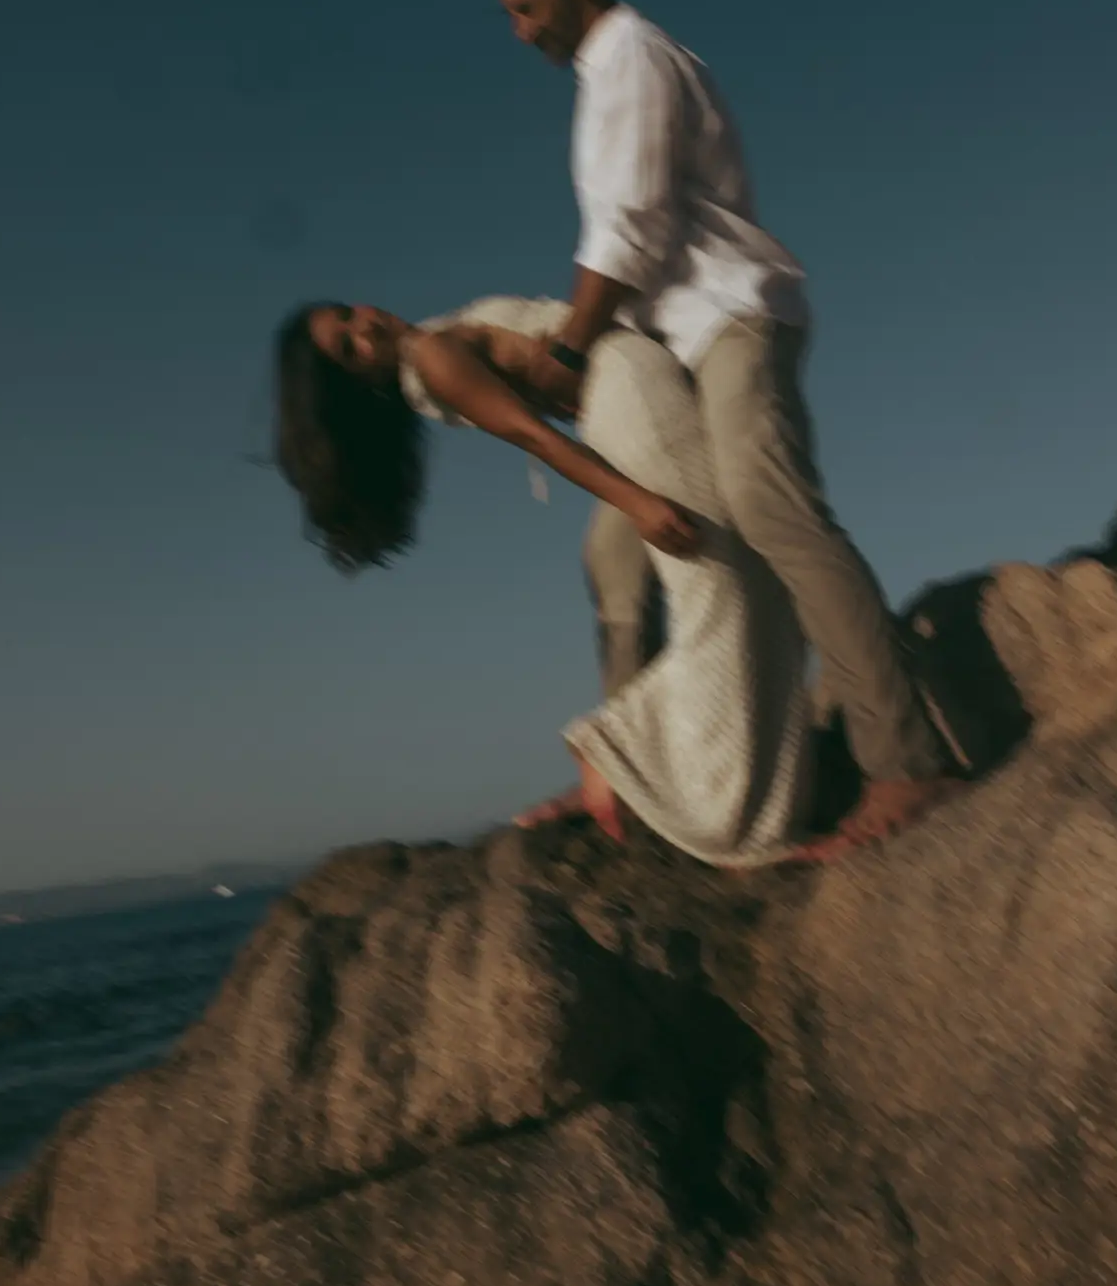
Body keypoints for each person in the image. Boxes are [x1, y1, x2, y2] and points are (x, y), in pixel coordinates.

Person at [484, 0, 961, 856]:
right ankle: (649, 770)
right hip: (683, 346)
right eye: (511, 17)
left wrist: (570, 347)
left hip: (733, 323)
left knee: (771, 513)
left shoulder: (631, 57)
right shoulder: (603, 76)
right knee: (622, 553)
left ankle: (908, 763)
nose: (520, 31)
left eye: (528, 6)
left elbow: (628, 224)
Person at [272, 294, 811, 869]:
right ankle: (621, 749)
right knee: (724, 589)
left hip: (631, 389)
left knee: (746, 585)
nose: (367, 328)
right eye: (349, 348)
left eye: (350, 316)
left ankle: (746, 781)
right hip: (633, 399)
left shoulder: (431, 340)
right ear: (362, 382)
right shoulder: (430, 355)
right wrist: (636, 503)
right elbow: (534, 436)